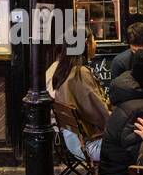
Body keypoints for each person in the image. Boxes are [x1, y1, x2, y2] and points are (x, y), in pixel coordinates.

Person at [46, 32, 110, 162]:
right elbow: (101, 114)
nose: (96, 44)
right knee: (136, 143)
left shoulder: (62, 69)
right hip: (88, 144)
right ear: (86, 44)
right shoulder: (79, 73)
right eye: (94, 40)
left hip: (73, 139)